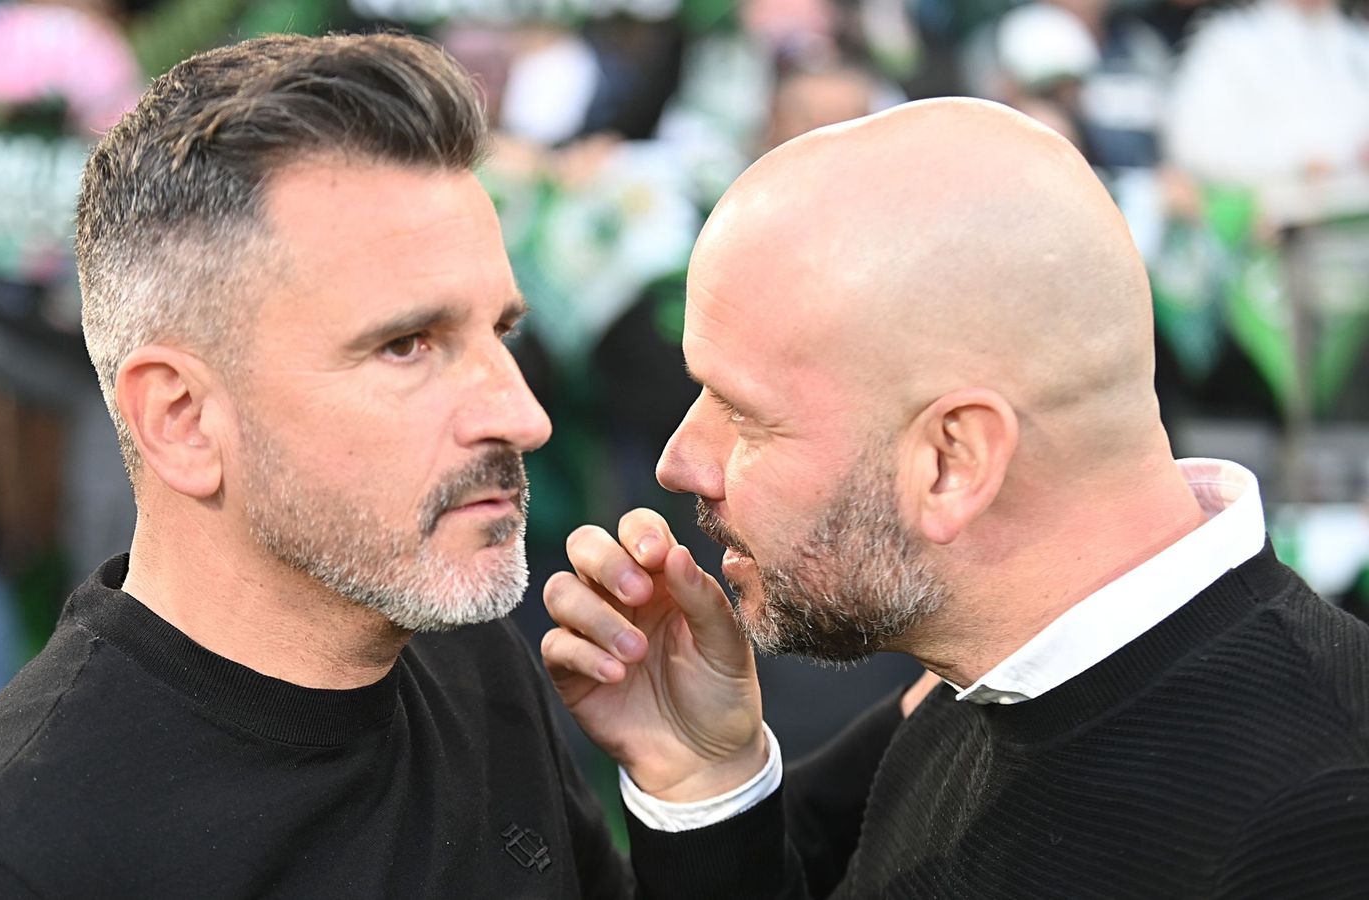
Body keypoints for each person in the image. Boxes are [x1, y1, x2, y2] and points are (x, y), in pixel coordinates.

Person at [0, 33, 630, 899]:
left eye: (502, 332)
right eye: (407, 345)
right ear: (182, 419)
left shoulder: (473, 663)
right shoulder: (9, 870)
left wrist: (706, 793)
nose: (523, 416)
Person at [540, 97, 1369, 898]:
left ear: (952, 460)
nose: (681, 462)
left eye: (746, 416)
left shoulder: (1314, 829)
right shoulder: (975, 688)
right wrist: (705, 780)